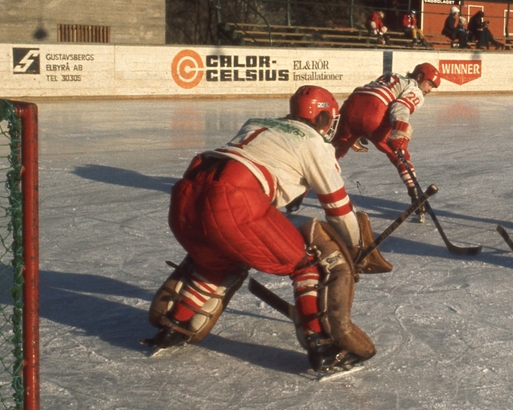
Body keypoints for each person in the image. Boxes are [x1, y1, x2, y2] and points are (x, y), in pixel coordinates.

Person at [145, 86, 391, 373]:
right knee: (309, 262)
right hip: (233, 201)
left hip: (185, 199)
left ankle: (176, 324)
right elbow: (338, 208)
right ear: (324, 118)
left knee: (219, 259)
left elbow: (266, 160)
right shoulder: (314, 143)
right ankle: (323, 345)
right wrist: (356, 248)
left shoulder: (256, 123)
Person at [332, 63, 442, 207]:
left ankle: (309, 186)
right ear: (420, 76)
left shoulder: (391, 75)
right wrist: (399, 130)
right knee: (398, 153)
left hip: (351, 105)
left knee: (330, 154)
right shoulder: (415, 88)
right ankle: (415, 193)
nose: (430, 89)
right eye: (430, 84)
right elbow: (401, 106)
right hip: (375, 110)